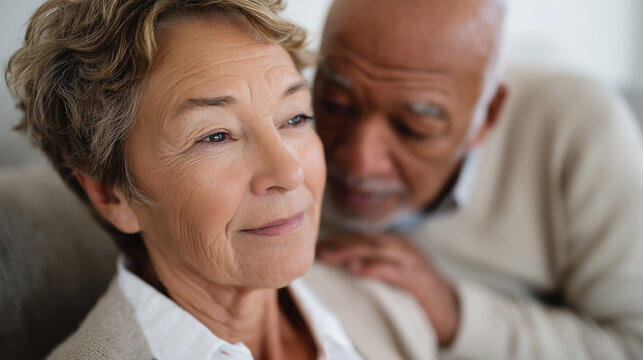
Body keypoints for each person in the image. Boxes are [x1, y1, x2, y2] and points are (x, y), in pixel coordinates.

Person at [5, 1, 367, 359]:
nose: (290, 173)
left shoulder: (383, 300)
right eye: (215, 136)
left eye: (296, 118)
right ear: (111, 196)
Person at [309, 0, 643, 358]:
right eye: (336, 104)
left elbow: (632, 342)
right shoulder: (286, 124)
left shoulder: (578, 128)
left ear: (487, 116)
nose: (361, 163)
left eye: (413, 129)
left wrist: (457, 316)